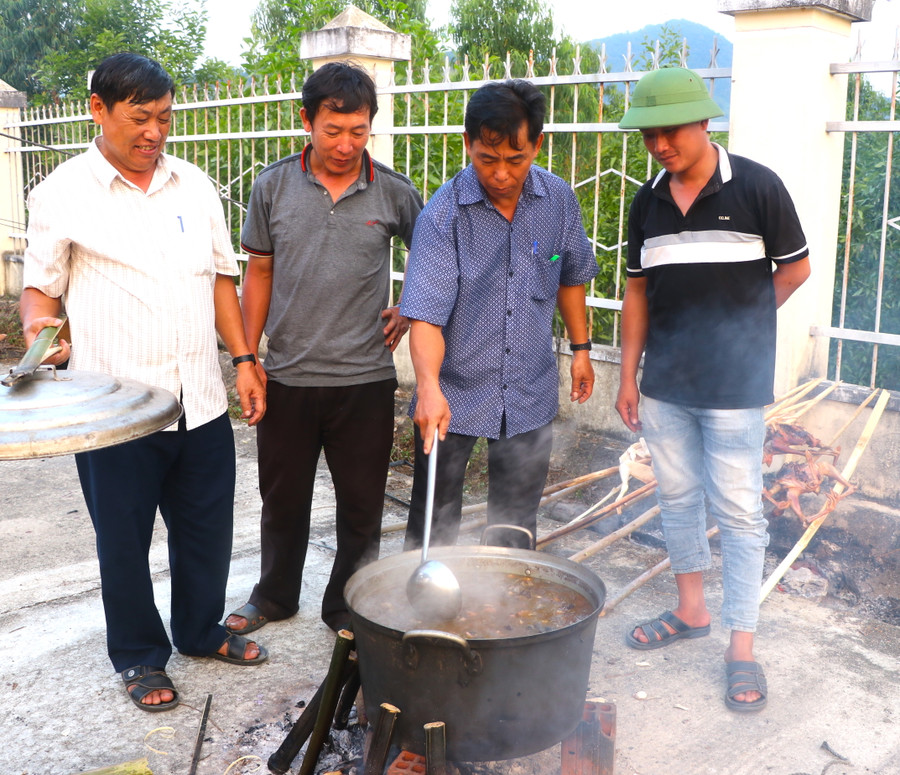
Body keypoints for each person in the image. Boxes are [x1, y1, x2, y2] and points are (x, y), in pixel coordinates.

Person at [20, 53, 269, 713]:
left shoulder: (194, 186)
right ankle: (137, 655)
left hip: (201, 400)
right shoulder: (63, 192)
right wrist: (39, 333)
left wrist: (243, 359)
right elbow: (39, 290)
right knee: (123, 542)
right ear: (98, 110)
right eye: (140, 118)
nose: (155, 132)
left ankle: (198, 629)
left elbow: (222, 280)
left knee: (207, 530)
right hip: (115, 409)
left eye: (164, 117)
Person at [615, 67, 811, 713]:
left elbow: (797, 267)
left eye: (669, 131)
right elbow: (637, 290)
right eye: (649, 135)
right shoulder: (648, 200)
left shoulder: (757, 185)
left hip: (735, 384)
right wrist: (628, 374)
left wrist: (745, 322)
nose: (660, 144)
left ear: (704, 121)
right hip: (666, 383)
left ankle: (742, 645)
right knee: (676, 499)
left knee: (740, 513)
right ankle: (691, 610)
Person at [227, 62, 423, 635]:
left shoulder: (393, 191)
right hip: (288, 374)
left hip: (365, 378)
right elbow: (258, 273)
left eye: (358, 131)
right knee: (282, 500)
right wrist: (248, 356)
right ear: (306, 120)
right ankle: (274, 595)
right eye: (332, 130)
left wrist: (410, 305)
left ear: (370, 127)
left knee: (361, 508)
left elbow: (434, 258)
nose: (345, 145)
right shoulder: (274, 187)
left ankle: (345, 604)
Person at [399, 79, 598, 551]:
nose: (502, 174)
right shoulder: (443, 215)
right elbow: (425, 314)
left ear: (537, 145)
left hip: (529, 388)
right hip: (454, 392)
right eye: (487, 159)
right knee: (434, 521)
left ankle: (507, 612)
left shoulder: (558, 201)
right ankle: (418, 607)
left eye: (516, 159)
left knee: (515, 524)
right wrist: (427, 389)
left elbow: (571, 277)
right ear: (468, 144)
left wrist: (582, 350)